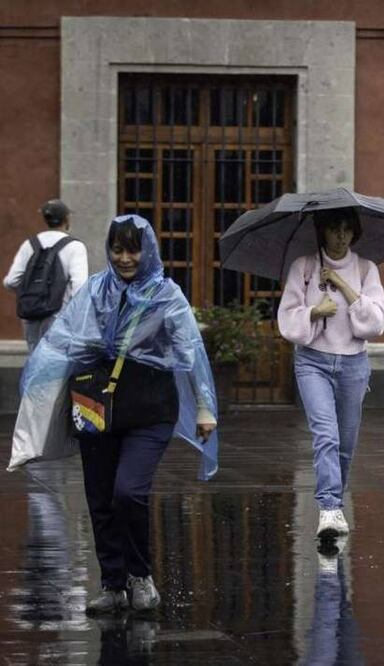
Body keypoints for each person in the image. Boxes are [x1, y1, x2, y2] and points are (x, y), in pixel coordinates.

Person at [14, 214, 219, 615]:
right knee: (101, 498)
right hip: (96, 407)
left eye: (133, 249)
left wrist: (206, 406)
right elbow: (64, 341)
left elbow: (189, 352)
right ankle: (112, 584)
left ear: (148, 251)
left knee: (129, 491)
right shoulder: (94, 291)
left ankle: (140, 576)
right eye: (117, 248)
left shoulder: (166, 295)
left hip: (150, 410)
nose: (125, 257)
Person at [278, 208, 384, 543]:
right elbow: (287, 319)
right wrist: (315, 310)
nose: (340, 238)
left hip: (354, 363)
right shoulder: (304, 267)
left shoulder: (367, 269)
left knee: (346, 442)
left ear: (354, 233)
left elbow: (376, 323)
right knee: (325, 434)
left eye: (346, 230)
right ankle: (328, 507)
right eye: (334, 230)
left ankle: (336, 502)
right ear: (322, 231)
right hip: (313, 362)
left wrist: (342, 284)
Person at [3, 199, 89, 352]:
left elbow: (10, 281)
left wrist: (33, 292)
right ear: (67, 219)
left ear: (45, 219)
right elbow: (80, 287)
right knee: (56, 364)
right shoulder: (75, 247)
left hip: (31, 315)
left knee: (34, 360)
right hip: (59, 316)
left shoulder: (29, 244)